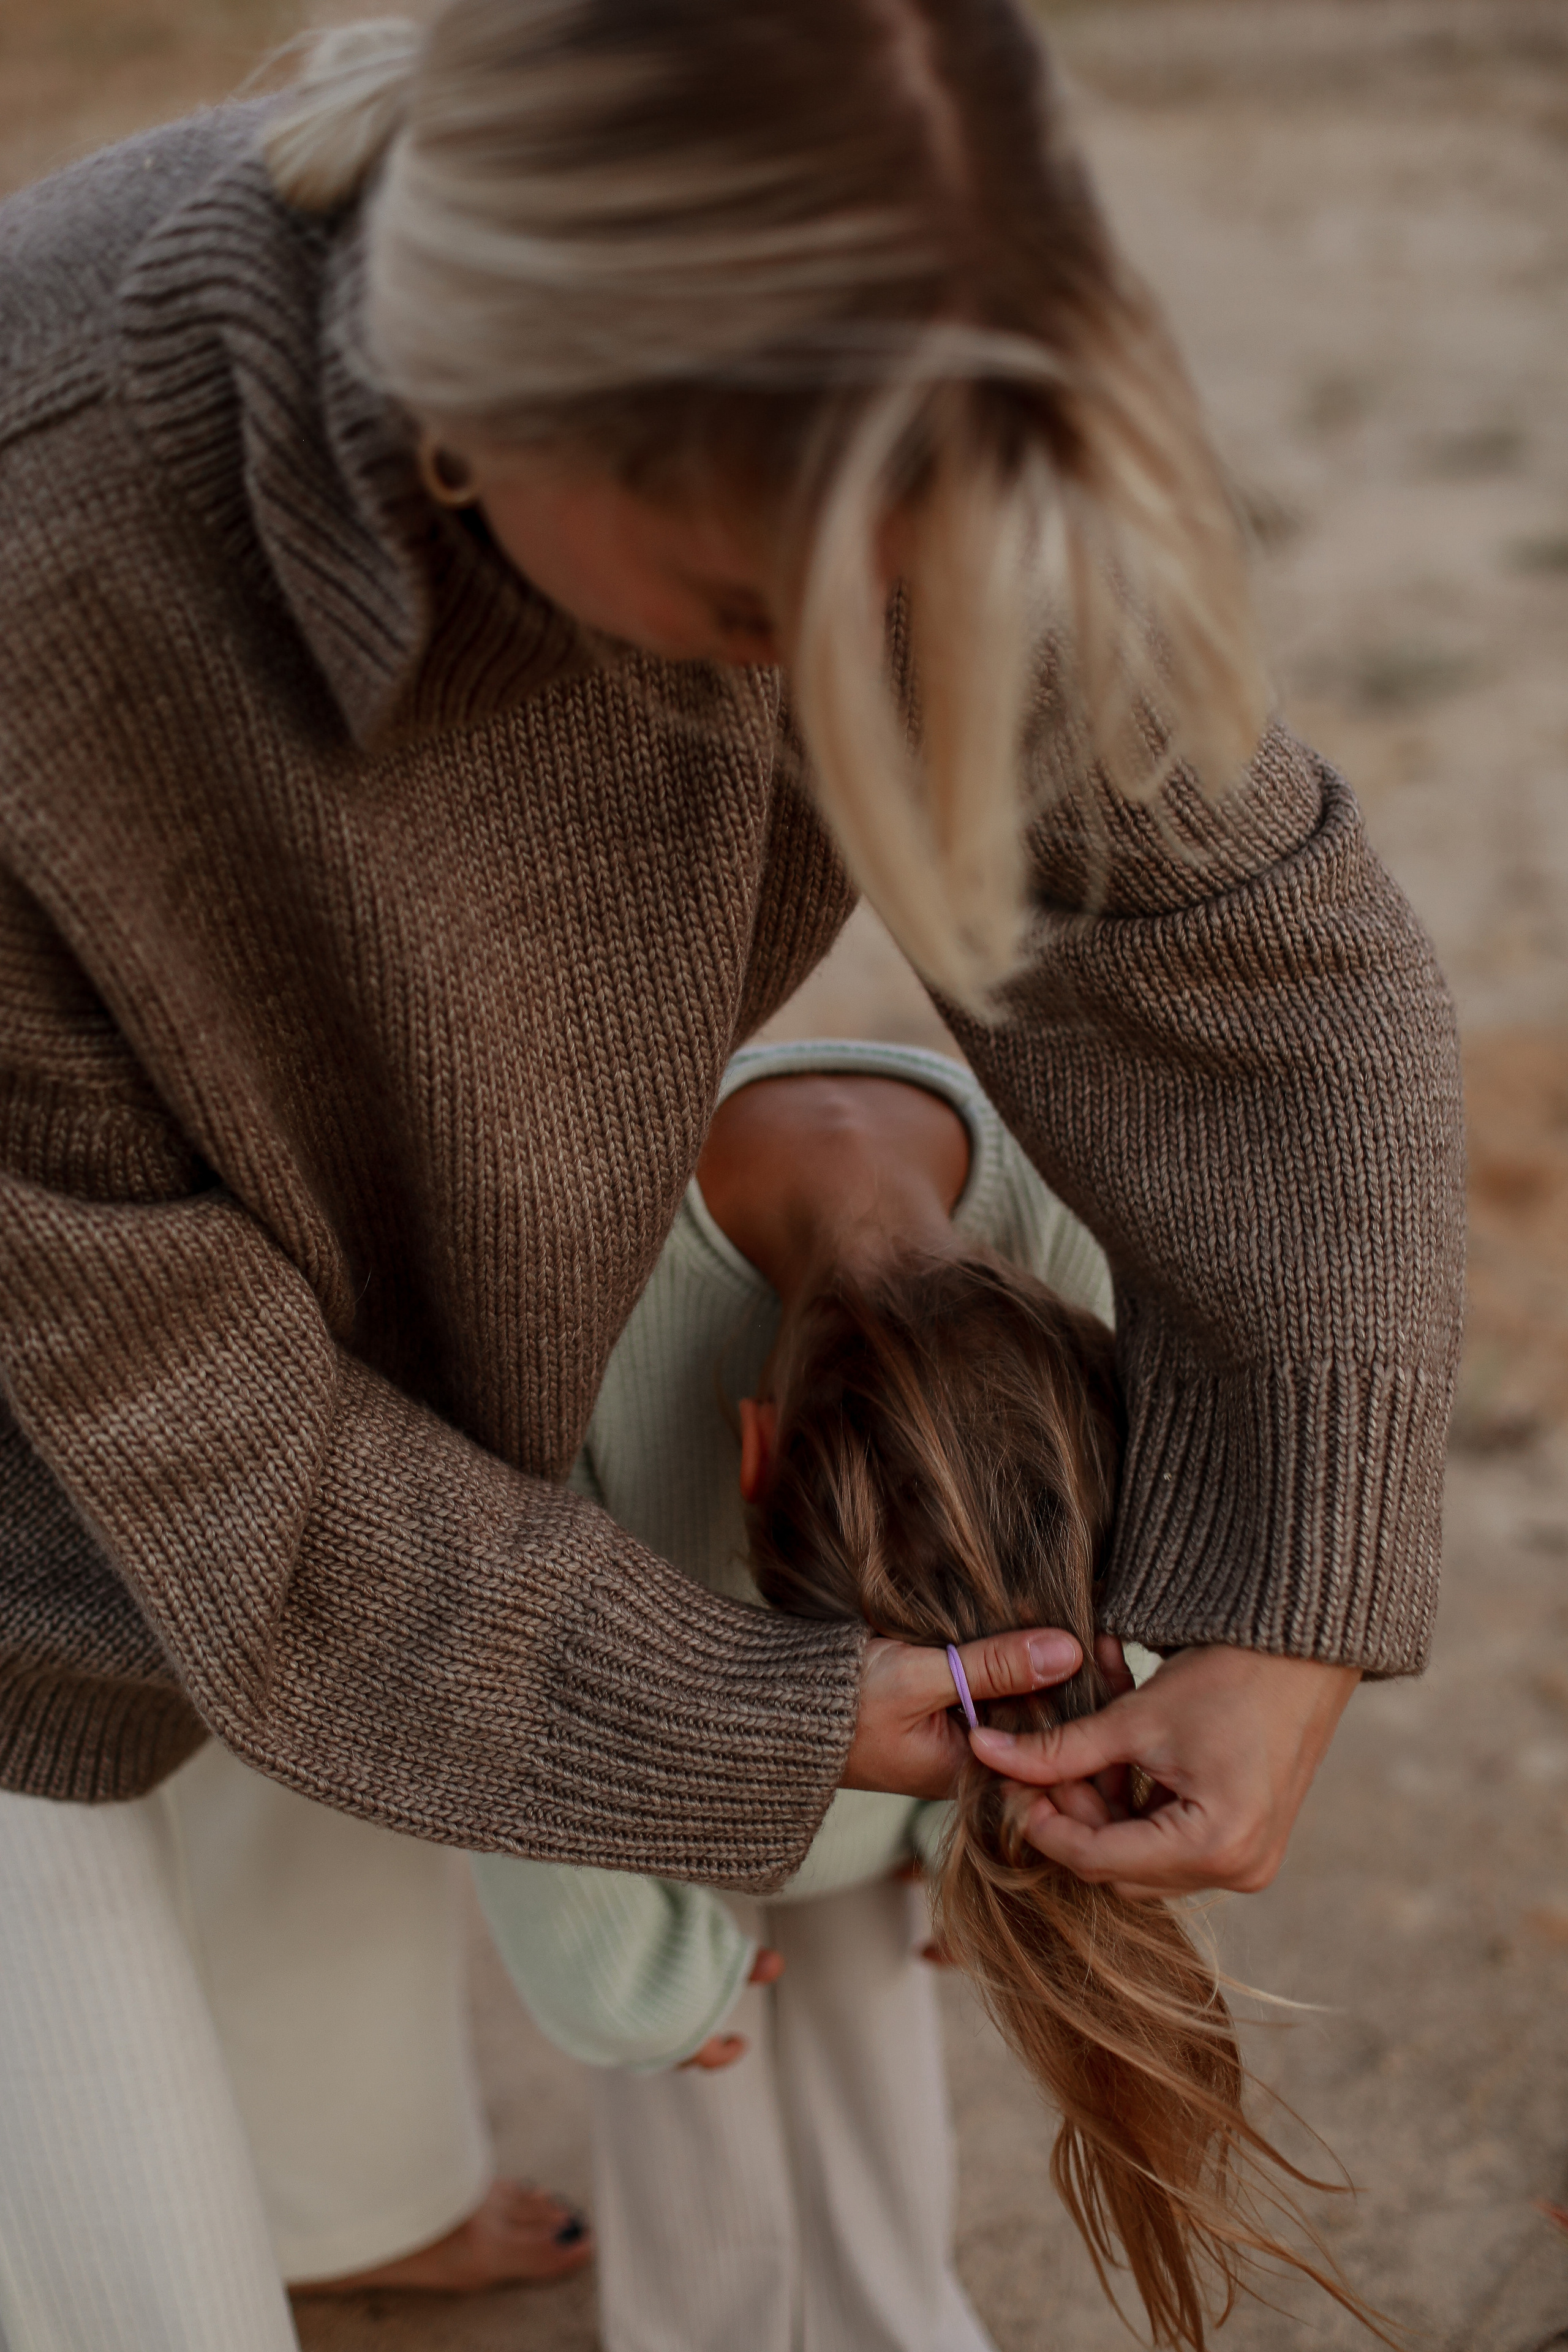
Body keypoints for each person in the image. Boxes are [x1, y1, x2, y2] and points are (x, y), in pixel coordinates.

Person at [0, 1, 1463, 2343]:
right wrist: (714, 1729)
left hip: (279, 1243)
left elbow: (1242, 963)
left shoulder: (896, 411)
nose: (891, 664)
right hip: (37, 1342)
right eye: (778, 614)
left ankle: (346, 2191)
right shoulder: (42, 540)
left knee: (375, 1577)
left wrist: (1294, 1595)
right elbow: (168, 1402)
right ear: (487, 404)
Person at [470, 1039, 1377, 2352]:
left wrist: (979, 1829)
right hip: (628, 1779)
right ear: (753, 1449)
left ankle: (890, 2318)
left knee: (867, 2020)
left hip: (865, 1862)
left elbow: (1049, 1583)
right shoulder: (556, 1263)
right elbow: (510, 1662)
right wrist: (625, 1982)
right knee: (686, 2075)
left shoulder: (1065, 1202)